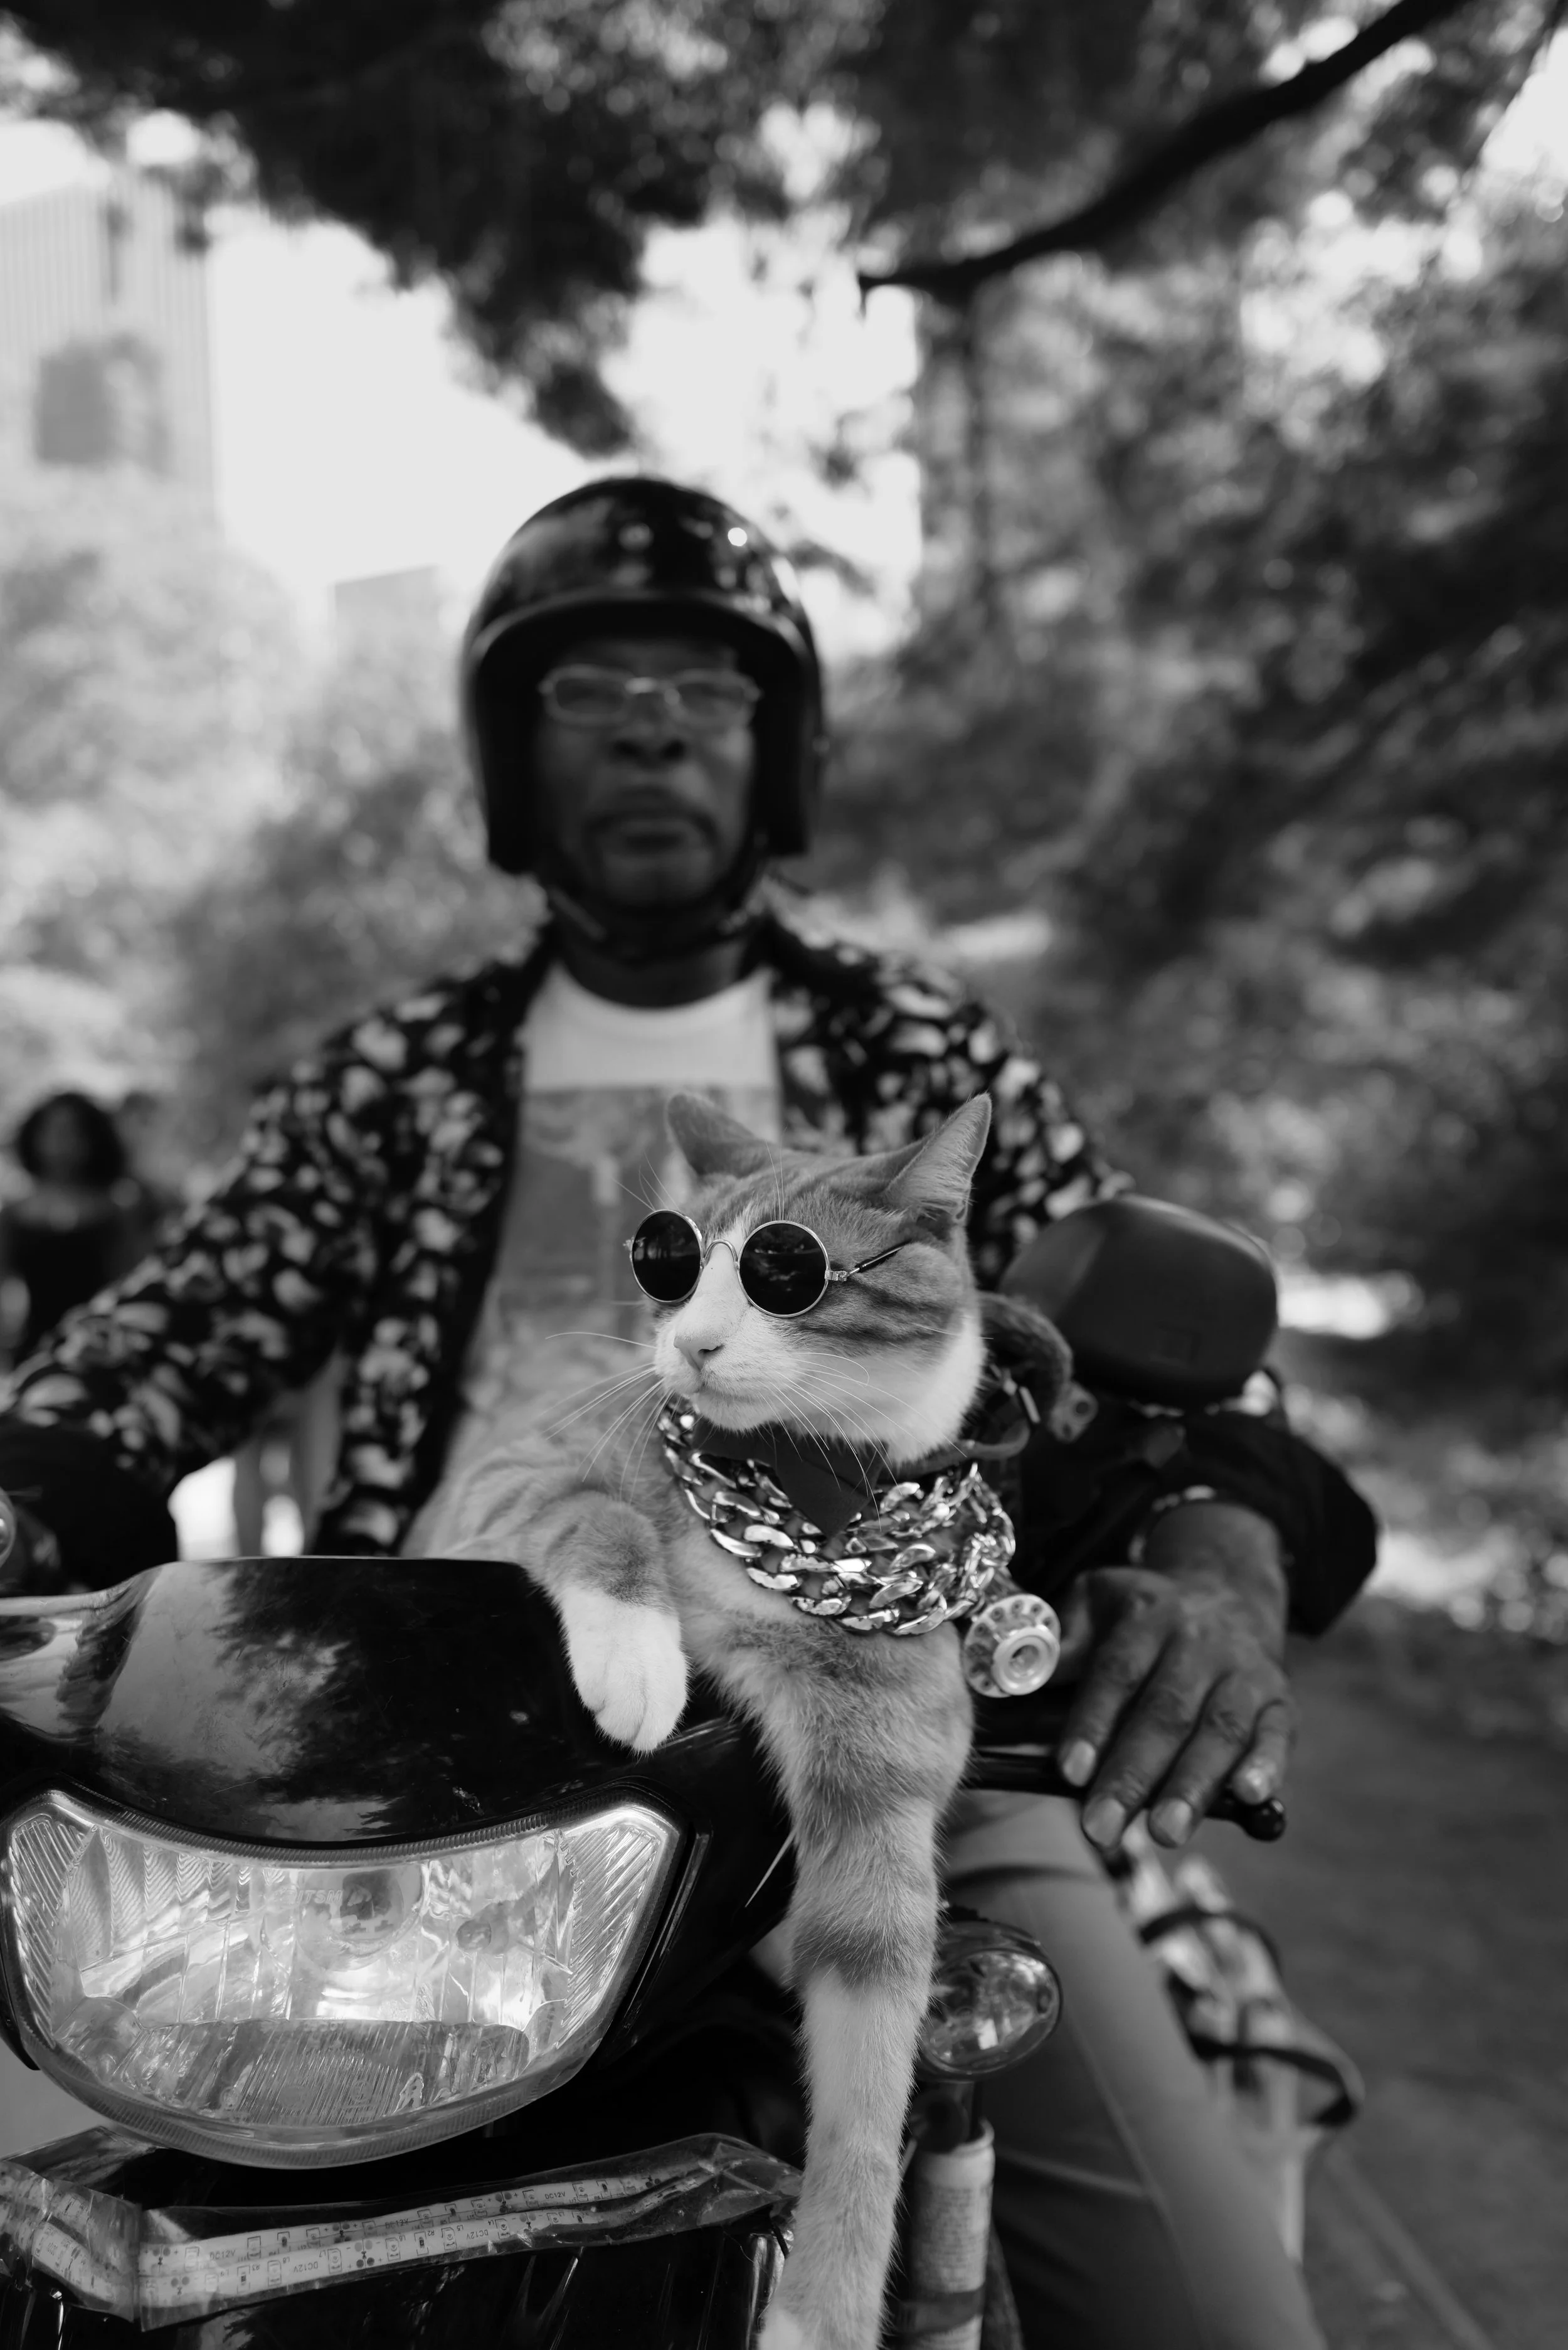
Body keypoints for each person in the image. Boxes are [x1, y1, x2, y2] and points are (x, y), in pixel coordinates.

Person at [0, 476, 1375, 2348]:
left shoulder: (919, 1051)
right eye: (587, 688)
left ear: (773, 750)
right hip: (422, 1768)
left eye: (704, 690)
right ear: (510, 753)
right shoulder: (393, 1077)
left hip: (875, 1734)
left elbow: (1198, 1375)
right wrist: (27, 1489)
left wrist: (1212, 1554)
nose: (651, 720)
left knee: (1208, 2314)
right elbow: (157, 1341)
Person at [0, 1091, 161, 1368]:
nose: (62, 1143)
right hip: (33, 1352)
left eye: (74, 1132)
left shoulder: (117, 1210)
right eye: (52, 1131)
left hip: (103, 1352)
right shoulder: (14, 1214)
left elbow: (134, 1284)